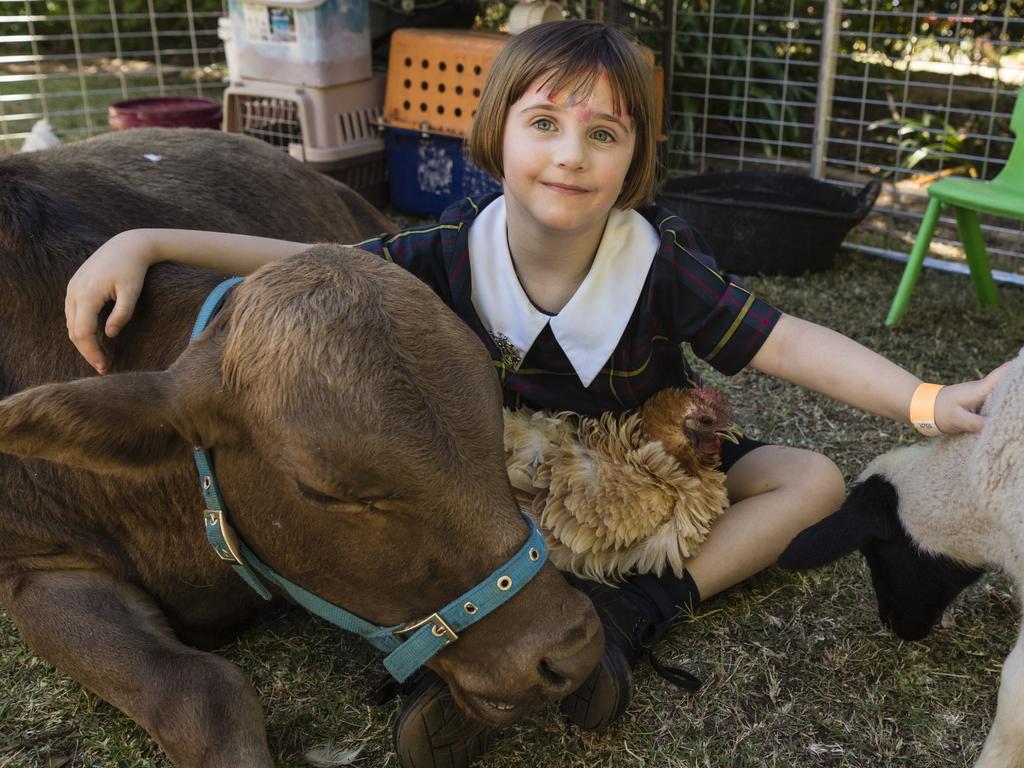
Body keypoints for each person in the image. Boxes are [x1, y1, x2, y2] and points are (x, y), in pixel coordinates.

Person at [64, 19, 1005, 768]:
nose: (570, 154)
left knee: (813, 480)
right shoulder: (444, 253)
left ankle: (628, 625)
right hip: (513, 499)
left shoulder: (661, 263)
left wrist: (922, 402)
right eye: (545, 124)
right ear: (498, 134)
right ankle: (484, 653)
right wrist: (153, 240)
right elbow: (313, 265)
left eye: (603, 134)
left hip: (646, 476)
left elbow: (785, 340)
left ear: (633, 159)